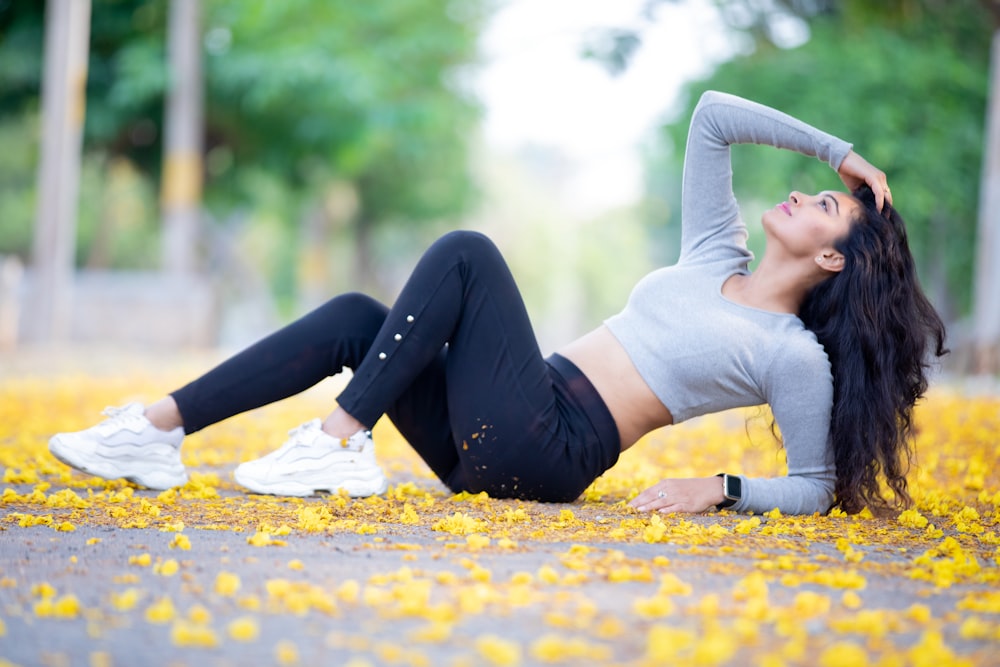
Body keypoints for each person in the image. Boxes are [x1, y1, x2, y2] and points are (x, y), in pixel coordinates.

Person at [49, 91, 947, 515]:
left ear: (833, 256)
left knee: (469, 254)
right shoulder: (717, 250)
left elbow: (818, 484)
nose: (800, 194)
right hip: (512, 419)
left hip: (553, 446)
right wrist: (839, 153)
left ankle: (335, 443)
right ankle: (157, 430)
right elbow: (712, 114)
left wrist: (720, 486)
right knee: (365, 317)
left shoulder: (791, 352)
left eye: (823, 205)